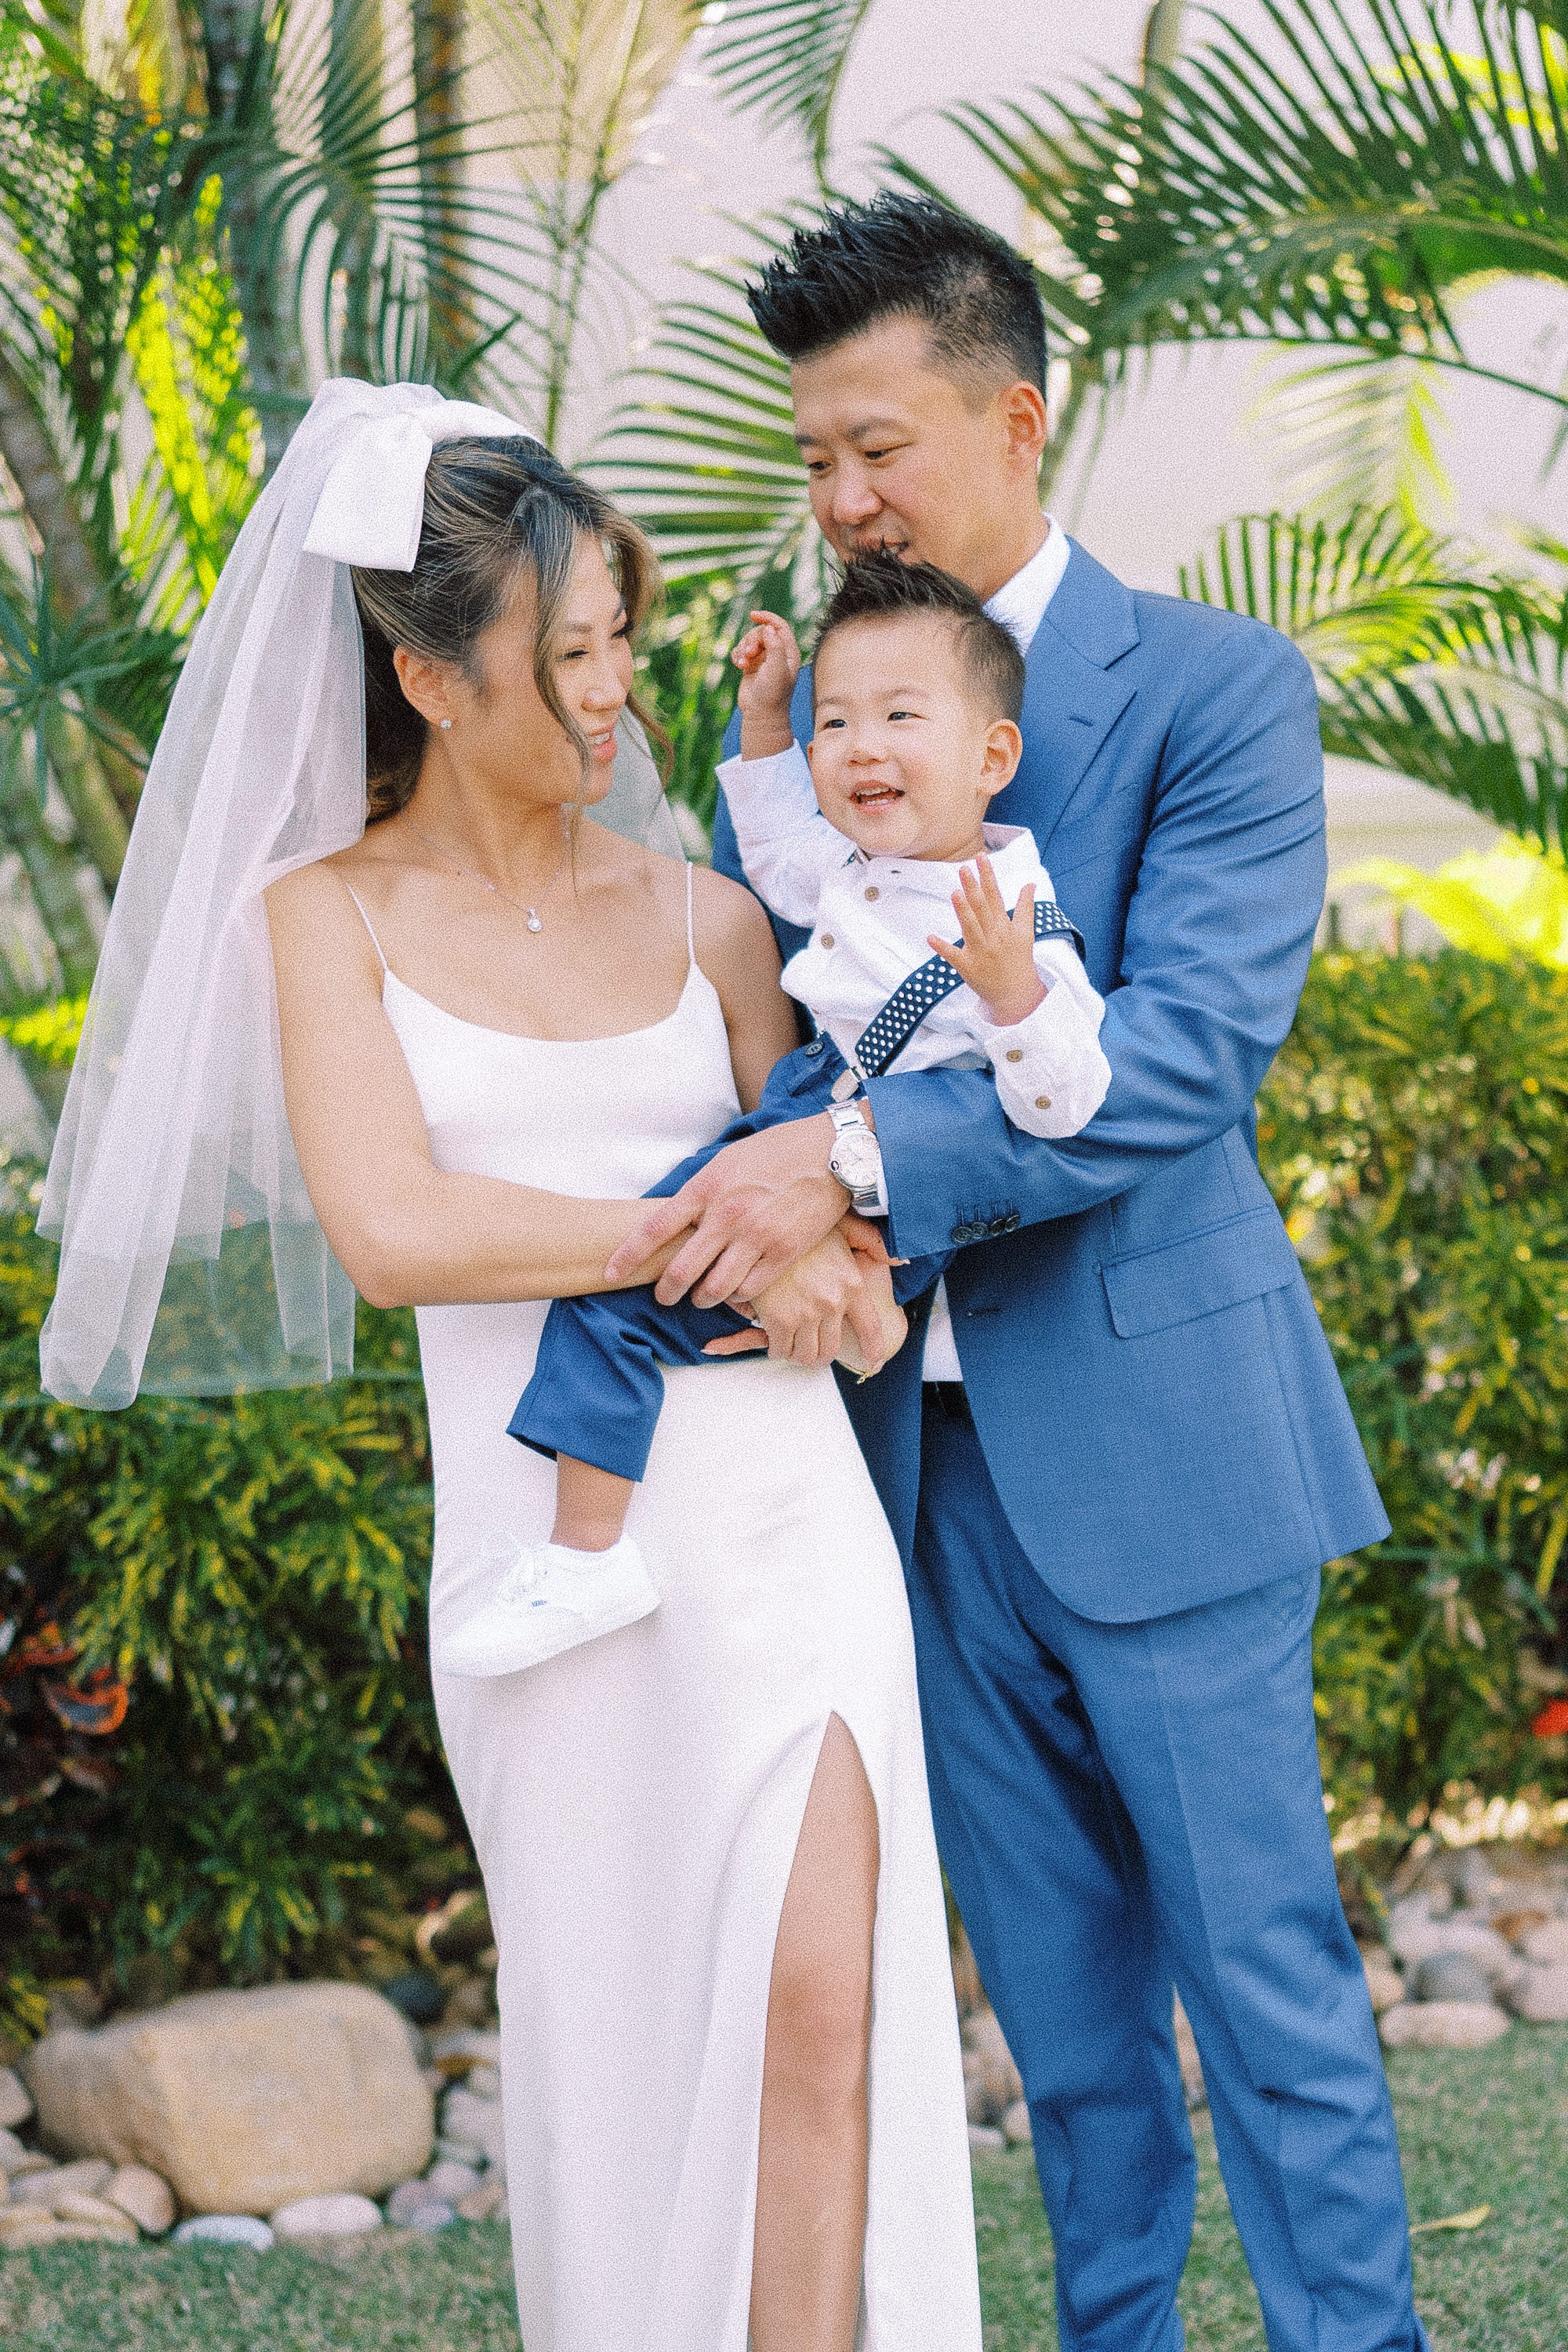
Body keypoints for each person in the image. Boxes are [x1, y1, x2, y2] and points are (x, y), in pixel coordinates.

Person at [38, 379, 983, 2352]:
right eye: (568, 654)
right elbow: (399, 1232)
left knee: (827, 2005)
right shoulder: (318, 921)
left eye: (622, 636)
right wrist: (715, 1229)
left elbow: (845, 1218)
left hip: (782, 1528)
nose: (618, 688)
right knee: (623, 2042)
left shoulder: (719, 920)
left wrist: (830, 1246)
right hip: (551, 1565)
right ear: (427, 676)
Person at [611, 194, 1434, 2352]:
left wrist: (842, 1166)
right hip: (907, 1475)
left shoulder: (1219, 691)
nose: (841, 499)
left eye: (877, 448)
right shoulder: (810, 714)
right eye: (815, 458)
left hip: (1170, 1454)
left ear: (1012, 420)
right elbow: (774, 1001)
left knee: (1267, 1995)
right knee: (1063, 2034)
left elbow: (1176, 1062)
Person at [445, 552, 1110, 1679]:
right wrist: (767, 719)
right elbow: (781, 858)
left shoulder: (1021, 927)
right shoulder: (863, 871)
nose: (860, 746)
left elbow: (1068, 1104)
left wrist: (1015, 1000)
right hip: (809, 1110)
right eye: (836, 721)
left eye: (900, 716)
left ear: (993, 757)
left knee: (618, 1294)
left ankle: (587, 1553)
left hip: (883, 1171)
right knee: (662, 1263)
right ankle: (868, 1320)